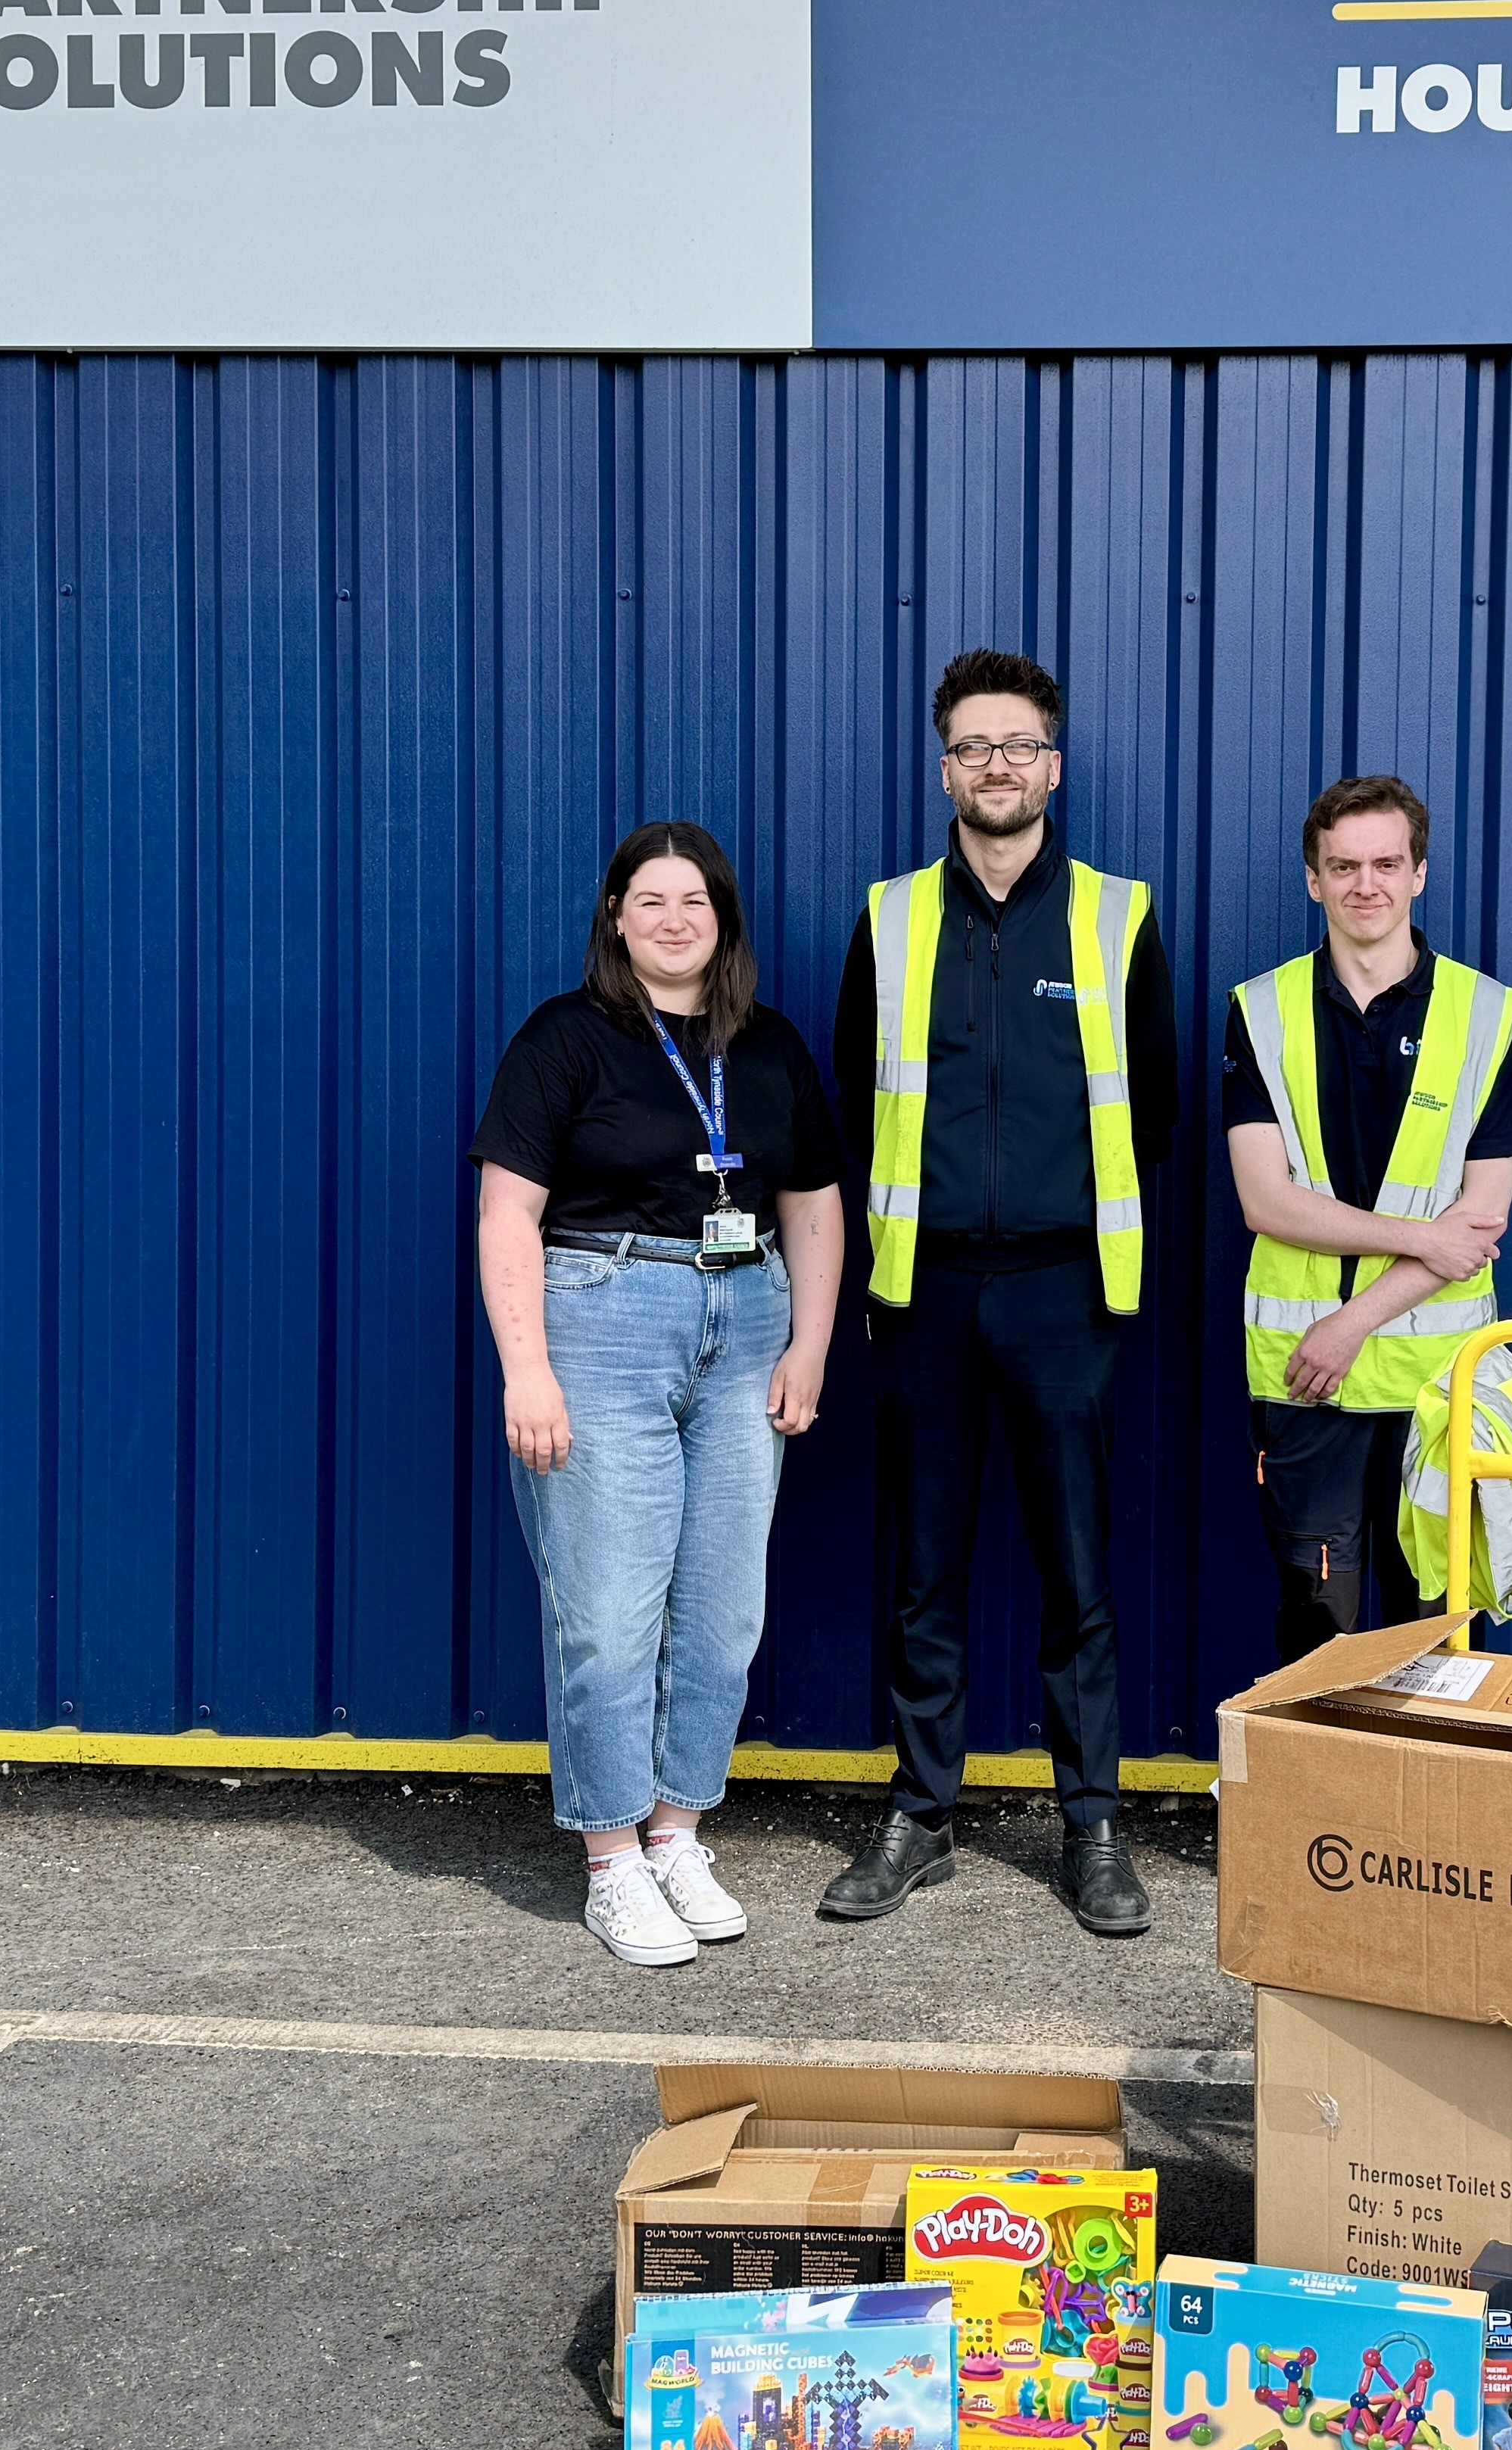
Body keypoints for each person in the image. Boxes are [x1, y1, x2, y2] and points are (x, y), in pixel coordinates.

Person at [818, 650, 1180, 1937]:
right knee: (925, 1566)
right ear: (944, 767)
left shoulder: (1115, 916)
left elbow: (1155, 1110)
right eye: (973, 745)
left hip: (1062, 1294)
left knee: (1076, 1567)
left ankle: (1091, 1826)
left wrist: (1096, 1268)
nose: (997, 766)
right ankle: (921, 1815)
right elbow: (862, 1105)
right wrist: (877, 1280)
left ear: (1054, 766)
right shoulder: (892, 916)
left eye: (1018, 744)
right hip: (923, 1298)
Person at [471, 822, 846, 1968]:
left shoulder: (769, 1046)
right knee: (608, 1613)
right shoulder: (565, 1039)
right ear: (616, 919)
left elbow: (816, 1209)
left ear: (723, 919)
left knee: (725, 1612)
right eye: (650, 901)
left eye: (695, 900)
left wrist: (811, 1347)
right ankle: (610, 1858)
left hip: (747, 1332)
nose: (674, 919)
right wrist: (525, 1367)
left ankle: (679, 1831)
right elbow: (506, 1216)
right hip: (604, 1322)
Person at [1223, 774, 1512, 1658]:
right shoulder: (1263, 1009)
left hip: (1436, 1380)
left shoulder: (1487, 1016)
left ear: (1419, 874)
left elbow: (1482, 1219)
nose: (1368, 884)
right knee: (1319, 1621)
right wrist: (1422, 1238)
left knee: (1439, 1623)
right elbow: (1264, 1200)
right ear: (1313, 881)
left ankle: (1427, 1804)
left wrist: (1352, 1323)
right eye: (1344, 866)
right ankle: (1326, 1802)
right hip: (1306, 1381)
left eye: (1387, 863)